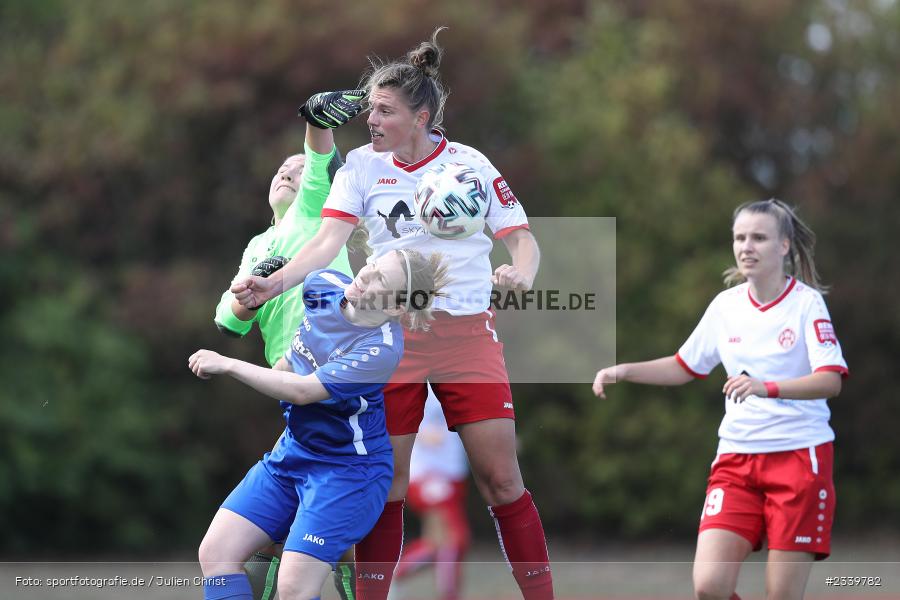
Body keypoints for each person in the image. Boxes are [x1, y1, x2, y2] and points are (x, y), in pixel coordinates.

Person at [231, 28, 554, 600]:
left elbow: (522, 240)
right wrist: (272, 284)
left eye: (384, 110)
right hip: (391, 336)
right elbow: (327, 243)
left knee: (501, 481)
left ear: (422, 116)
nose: (372, 121)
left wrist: (520, 274)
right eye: (370, 110)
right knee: (389, 485)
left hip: (464, 334)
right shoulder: (359, 166)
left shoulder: (468, 165)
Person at [592, 199, 849, 600]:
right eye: (740, 237)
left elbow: (830, 380)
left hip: (799, 459)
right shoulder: (725, 306)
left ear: (784, 246)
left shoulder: (806, 304)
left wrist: (767, 387)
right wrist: (626, 370)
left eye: (759, 238)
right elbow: (684, 366)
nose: (747, 246)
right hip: (735, 461)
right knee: (709, 587)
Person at [192, 248, 450, 600]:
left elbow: (303, 391)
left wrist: (229, 364)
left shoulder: (382, 348)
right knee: (216, 553)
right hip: (294, 453)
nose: (366, 274)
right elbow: (290, 364)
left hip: (348, 473)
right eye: (372, 265)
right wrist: (258, 293)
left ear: (394, 309)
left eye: (380, 279)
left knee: (294, 587)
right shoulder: (321, 285)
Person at [213, 102, 360, 600]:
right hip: (285, 381)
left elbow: (319, 157)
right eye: (282, 169)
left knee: (296, 542)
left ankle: (346, 573)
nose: (288, 171)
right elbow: (226, 322)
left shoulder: (317, 213)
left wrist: (317, 122)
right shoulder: (259, 242)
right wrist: (244, 291)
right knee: (269, 547)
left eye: (295, 170)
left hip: (325, 372)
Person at [393, 387, 471, 600]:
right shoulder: (420, 383)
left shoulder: (456, 381)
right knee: (455, 537)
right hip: (428, 474)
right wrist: (426, 433)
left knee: (436, 544)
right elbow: (398, 418)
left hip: (452, 475)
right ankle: (449, 595)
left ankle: (385, 575)